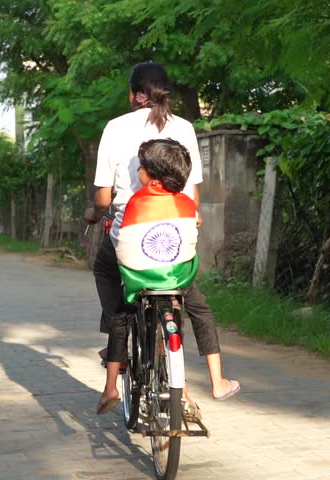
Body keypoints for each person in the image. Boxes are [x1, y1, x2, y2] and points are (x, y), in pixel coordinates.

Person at [85, 62, 240, 415]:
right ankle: (182, 383)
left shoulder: (115, 128)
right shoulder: (184, 127)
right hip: (175, 236)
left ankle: (116, 350)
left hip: (129, 234)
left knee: (106, 273)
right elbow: (195, 197)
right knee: (182, 294)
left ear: (134, 94)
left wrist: (93, 215)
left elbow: (104, 199)